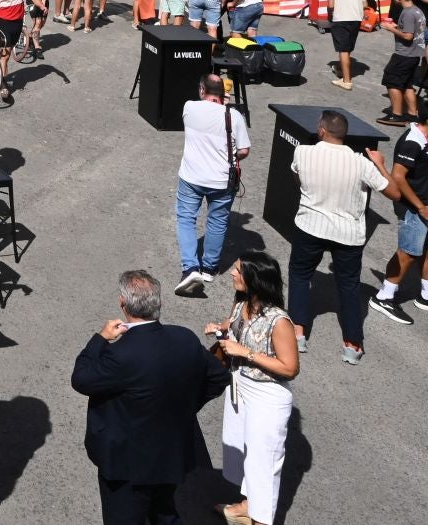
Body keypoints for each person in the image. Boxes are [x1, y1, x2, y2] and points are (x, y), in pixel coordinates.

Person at [69, 270, 229, 525]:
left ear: (123, 304)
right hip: (170, 454)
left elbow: (81, 379)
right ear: (159, 303)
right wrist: (185, 407)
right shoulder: (184, 338)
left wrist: (100, 339)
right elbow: (218, 377)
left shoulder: (121, 354)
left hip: (126, 464)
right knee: (165, 513)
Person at [287, 110, 401, 364]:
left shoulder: (303, 152)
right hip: (348, 234)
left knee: (299, 275)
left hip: (310, 225)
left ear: (321, 130)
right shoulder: (362, 163)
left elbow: (297, 177)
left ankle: (297, 333)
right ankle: (352, 343)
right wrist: (380, 164)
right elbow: (394, 193)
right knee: (349, 287)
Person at [201, 252, 299, 525]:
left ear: (254, 279)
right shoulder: (241, 303)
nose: (232, 274)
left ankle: (261, 520)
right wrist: (219, 330)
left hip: (267, 395)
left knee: (263, 461)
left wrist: (245, 353)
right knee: (242, 451)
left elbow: (290, 367)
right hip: (240, 387)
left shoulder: (279, 321)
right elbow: (235, 327)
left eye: (237, 270)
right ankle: (247, 506)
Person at [369, 100, 428, 328]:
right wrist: (421, 206)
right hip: (415, 208)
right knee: (407, 252)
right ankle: (384, 297)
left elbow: (421, 175)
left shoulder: (426, 137)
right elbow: (398, 176)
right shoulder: (412, 142)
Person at [173, 74, 251, 295]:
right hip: (222, 180)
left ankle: (190, 267)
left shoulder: (189, 108)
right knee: (217, 221)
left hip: (192, 176)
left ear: (201, 90)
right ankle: (209, 267)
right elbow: (244, 150)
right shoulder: (234, 116)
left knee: (186, 218)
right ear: (223, 94)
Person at [377, 0, 427, 126]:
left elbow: (408, 36)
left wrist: (391, 29)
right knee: (407, 84)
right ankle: (412, 114)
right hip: (414, 55)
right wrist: (397, 27)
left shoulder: (408, 13)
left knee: (392, 81)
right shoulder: (417, 11)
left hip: (404, 54)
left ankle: (397, 115)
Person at [322, 0, 367, 91]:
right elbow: (365, 4)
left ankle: (346, 81)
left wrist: (330, 17)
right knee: (348, 48)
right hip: (356, 17)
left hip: (341, 17)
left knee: (343, 49)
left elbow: (330, 4)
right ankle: (343, 70)